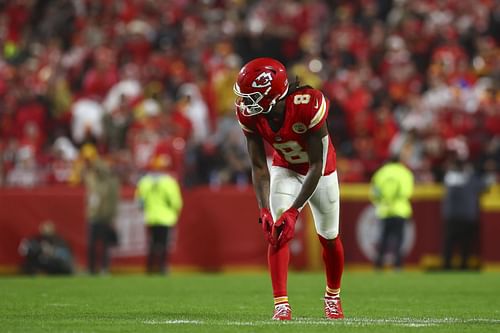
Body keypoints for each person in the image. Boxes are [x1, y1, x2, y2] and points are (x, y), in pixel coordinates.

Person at [234, 58, 344, 320]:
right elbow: (259, 167)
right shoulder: (250, 115)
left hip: (322, 173)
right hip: (286, 168)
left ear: (271, 93)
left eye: (252, 96)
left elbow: (317, 165)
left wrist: (295, 211)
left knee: (329, 238)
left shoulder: (308, 104)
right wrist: (263, 210)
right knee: (277, 231)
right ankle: (281, 304)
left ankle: (332, 296)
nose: (245, 103)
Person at [441, 156, 495, 270]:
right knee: (465, 243)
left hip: (452, 216)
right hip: (467, 216)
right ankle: (463, 265)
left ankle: (447, 265)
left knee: (450, 242)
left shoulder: (449, 178)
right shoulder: (471, 179)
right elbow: (485, 186)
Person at [135, 155, 183, 274]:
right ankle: (162, 267)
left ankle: (150, 267)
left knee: (152, 244)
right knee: (164, 245)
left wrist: (146, 209)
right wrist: (175, 210)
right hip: (166, 217)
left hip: (151, 217)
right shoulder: (169, 182)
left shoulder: (144, 182)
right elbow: (176, 201)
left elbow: (139, 201)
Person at [370, 155, 414, 270]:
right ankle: (398, 265)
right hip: (400, 210)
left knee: (383, 238)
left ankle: (378, 265)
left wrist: (382, 202)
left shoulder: (381, 173)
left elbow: (374, 192)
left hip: (384, 211)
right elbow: (407, 192)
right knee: (399, 239)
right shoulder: (405, 173)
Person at [83, 148, 120, 275]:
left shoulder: (110, 183)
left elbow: (114, 201)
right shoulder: (94, 180)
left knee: (104, 245)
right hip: (95, 216)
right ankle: (92, 268)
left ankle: (103, 268)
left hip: (104, 217)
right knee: (93, 245)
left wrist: (113, 217)